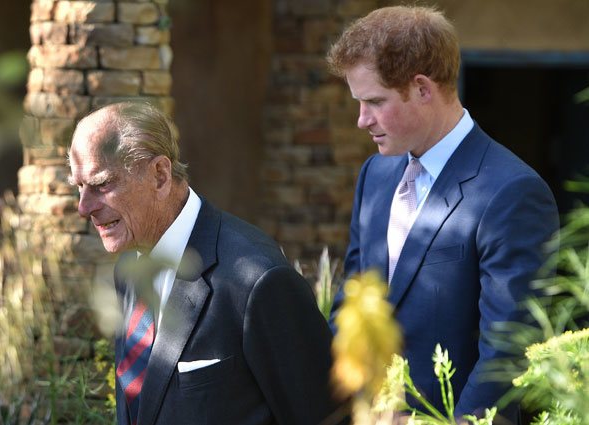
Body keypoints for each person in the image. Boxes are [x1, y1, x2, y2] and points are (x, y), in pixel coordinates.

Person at [326, 6, 559, 422]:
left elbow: (506, 355)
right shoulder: (375, 174)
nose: (362, 120)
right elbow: (352, 303)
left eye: (374, 101)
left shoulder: (513, 193)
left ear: (422, 89)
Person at [68, 102, 336, 425]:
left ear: (160, 175)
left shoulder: (259, 281)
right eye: (79, 187)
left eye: (101, 184)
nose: (84, 208)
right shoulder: (129, 268)